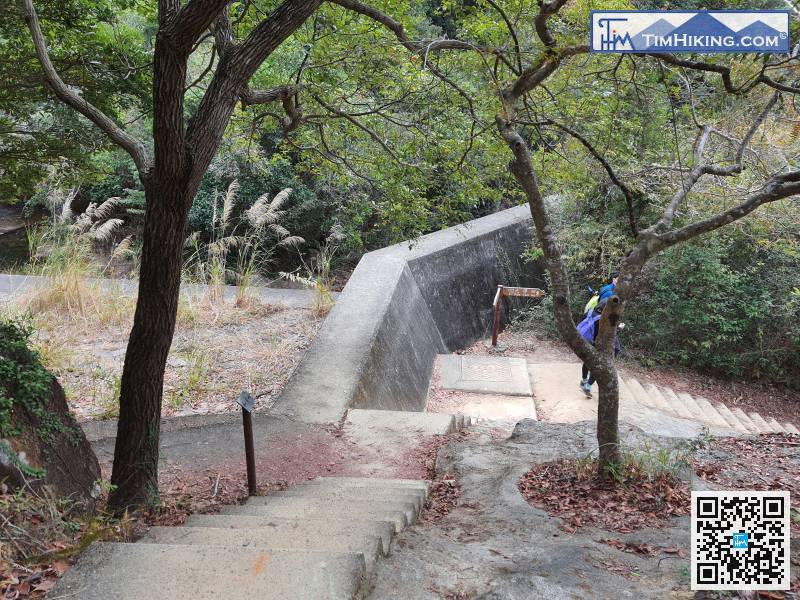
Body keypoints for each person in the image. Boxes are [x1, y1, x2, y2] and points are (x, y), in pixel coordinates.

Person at [577, 297, 624, 398]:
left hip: (588, 341)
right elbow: (609, 335)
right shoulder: (603, 319)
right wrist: (619, 328)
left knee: (588, 361)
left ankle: (584, 380)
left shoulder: (591, 312)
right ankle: (588, 386)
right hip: (600, 345)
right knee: (599, 365)